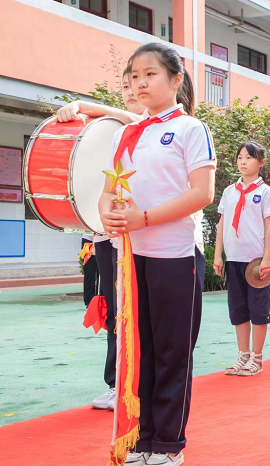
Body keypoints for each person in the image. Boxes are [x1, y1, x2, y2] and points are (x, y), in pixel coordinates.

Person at [99, 42, 216, 466]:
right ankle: (141, 438)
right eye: (133, 76)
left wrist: (143, 218)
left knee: (171, 350)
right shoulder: (125, 133)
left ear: (176, 80)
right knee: (139, 348)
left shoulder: (190, 129)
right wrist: (106, 213)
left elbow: (201, 193)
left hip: (175, 254)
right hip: (130, 256)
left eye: (150, 74)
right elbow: (109, 191)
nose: (140, 82)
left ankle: (168, 443)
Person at [57, 69, 146, 411]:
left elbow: (131, 117)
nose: (132, 91)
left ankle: (137, 383)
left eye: (139, 83)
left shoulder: (144, 127)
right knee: (113, 310)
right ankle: (116, 382)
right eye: (125, 86)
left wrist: (81, 104)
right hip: (104, 235)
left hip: (137, 236)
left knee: (135, 312)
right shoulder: (111, 132)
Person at [213, 142, 270, 376]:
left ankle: (257, 359)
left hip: (257, 261)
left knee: (258, 309)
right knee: (238, 309)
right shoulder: (230, 192)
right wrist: (218, 255)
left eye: (249, 158)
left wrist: (268, 258)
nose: (243, 162)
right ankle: (243, 356)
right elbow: (221, 225)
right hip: (234, 259)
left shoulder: (265, 192)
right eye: (240, 157)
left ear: (261, 162)